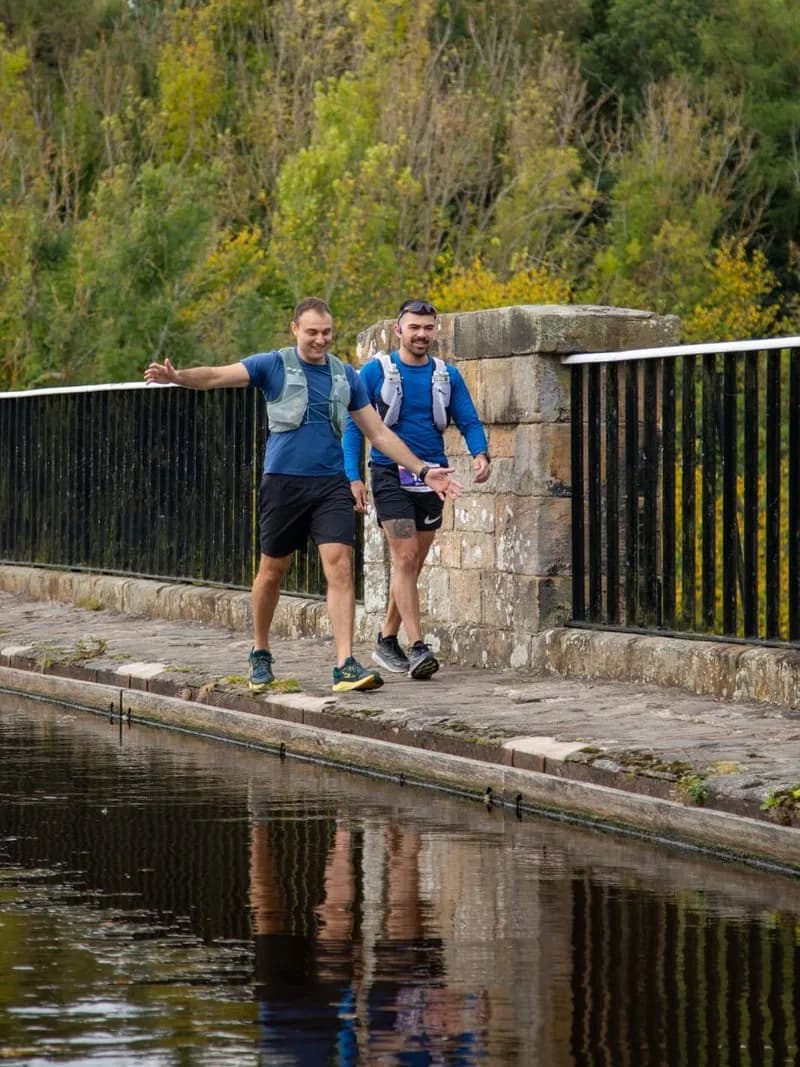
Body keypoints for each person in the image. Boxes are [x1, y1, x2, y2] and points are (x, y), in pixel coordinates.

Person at [144, 297, 461, 694]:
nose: (320, 340)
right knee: (272, 571)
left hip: (329, 485)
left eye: (326, 333)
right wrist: (178, 377)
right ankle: (260, 651)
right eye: (312, 332)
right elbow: (215, 376)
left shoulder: (346, 375)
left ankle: (344, 663)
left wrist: (424, 470)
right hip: (284, 483)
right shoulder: (271, 365)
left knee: (340, 566)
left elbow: (378, 433)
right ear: (295, 329)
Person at [343, 299, 489, 680]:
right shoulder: (376, 372)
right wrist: (352, 476)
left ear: (434, 330)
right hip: (389, 473)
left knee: (411, 564)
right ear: (398, 330)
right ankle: (419, 647)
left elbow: (469, 419)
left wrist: (481, 454)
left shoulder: (446, 375)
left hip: (433, 476)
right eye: (414, 328)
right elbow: (352, 425)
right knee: (405, 557)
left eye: (427, 328)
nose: (421, 334)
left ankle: (386, 639)